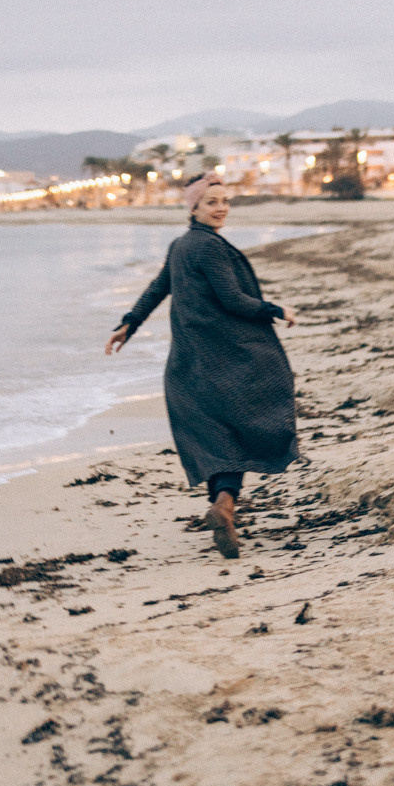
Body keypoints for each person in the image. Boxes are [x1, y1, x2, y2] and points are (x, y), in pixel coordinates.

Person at [105, 172, 297, 558]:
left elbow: (157, 288)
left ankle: (223, 507)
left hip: (188, 363)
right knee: (244, 424)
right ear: (193, 208)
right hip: (225, 357)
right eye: (211, 202)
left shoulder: (181, 245)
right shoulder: (209, 247)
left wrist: (129, 323)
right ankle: (225, 505)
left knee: (215, 436)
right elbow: (232, 299)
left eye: (225, 201)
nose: (221, 208)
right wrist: (276, 310)